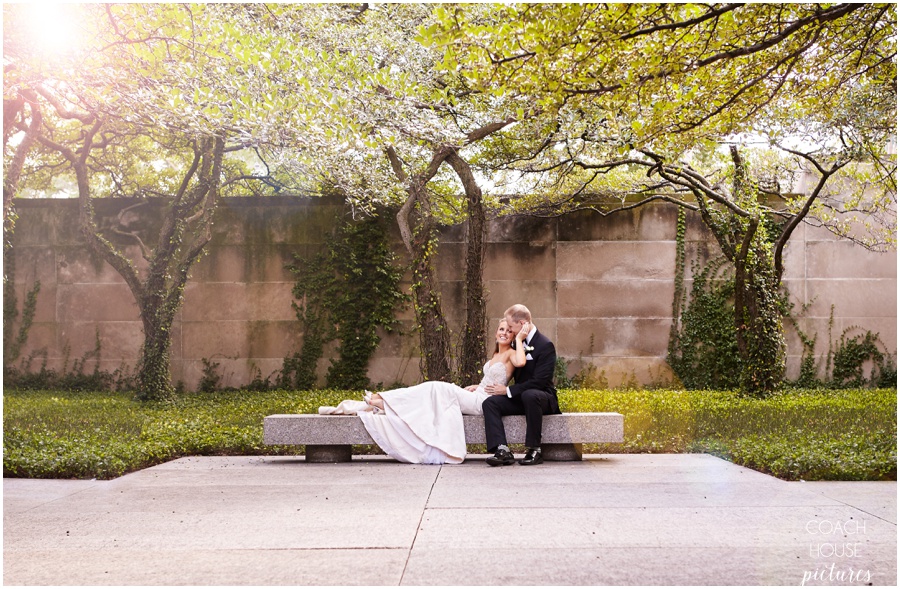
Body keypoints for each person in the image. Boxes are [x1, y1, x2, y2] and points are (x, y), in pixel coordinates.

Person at [318, 319, 525, 464]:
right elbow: (488, 378)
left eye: (508, 331)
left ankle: (385, 401)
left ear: (513, 335)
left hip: (485, 403)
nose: (503, 333)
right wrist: (475, 385)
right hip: (477, 394)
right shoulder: (495, 356)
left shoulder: (512, 354)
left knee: (436, 387)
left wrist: (506, 385)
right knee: (432, 390)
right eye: (501, 329)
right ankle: (386, 401)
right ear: (496, 332)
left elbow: (521, 362)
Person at [483, 304, 561, 467]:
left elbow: (540, 381)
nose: (509, 331)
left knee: (530, 394)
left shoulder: (545, 345)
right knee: (491, 402)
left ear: (523, 323)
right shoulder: (516, 345)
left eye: (511, 327)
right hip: (522, 397)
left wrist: (508, 390)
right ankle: (502, 449)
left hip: (542, 398)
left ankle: (535, 449)